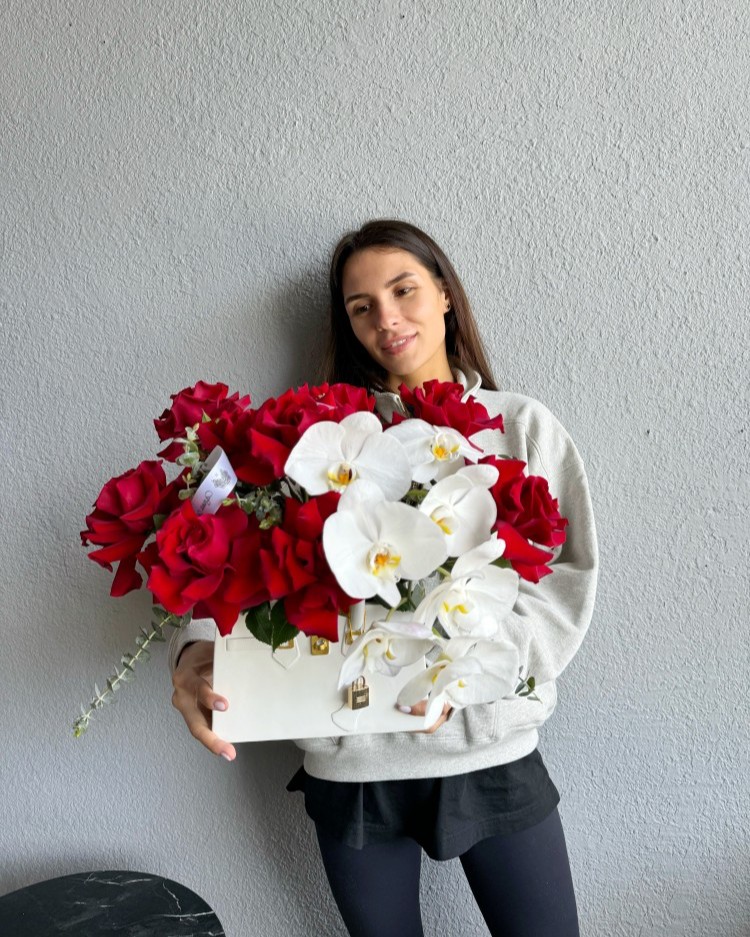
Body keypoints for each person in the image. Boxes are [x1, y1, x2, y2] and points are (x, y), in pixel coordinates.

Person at [170, 220, 598, 937]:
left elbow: (566, 580)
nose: (386, 318)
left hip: (487, 743)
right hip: (354, 757)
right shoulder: (314, 437)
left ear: (445, 295)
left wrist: (475, 676)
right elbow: (215, 551)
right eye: (360, 305)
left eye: (403, 290)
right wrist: (192, 652)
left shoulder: (521, 425)